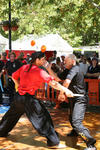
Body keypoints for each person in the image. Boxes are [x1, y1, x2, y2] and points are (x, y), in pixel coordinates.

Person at [0, 51, 74, 149]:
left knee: (10, 116)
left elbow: (14, 76)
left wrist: (18, 85)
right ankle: (53, 142)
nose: (44, 61)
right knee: (43, 118)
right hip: (28, 100)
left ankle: (1, 131)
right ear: (37, 60)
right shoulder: (39, 71)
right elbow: (53, 83)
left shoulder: (24, 67)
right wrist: (65, 90)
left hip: (18, 98)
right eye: (43, 59)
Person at [47, 54, 96, 150]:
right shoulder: (67, 70)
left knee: (76, 121)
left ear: (72, 61)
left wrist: (61, 93)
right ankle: (75, 132)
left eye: (66, 61)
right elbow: (57, 78)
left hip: (80, 99)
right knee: (71, 118)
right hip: (73, 98)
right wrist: (48, 69)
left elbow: (66, 82)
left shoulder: (75, 68)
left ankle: (91, 144)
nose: (64, 62)